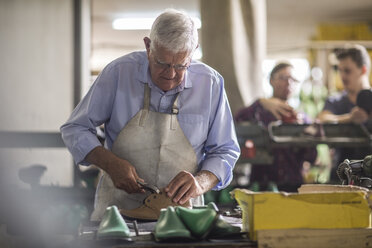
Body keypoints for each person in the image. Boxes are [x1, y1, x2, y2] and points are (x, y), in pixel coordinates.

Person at [60, 9, 240, 220]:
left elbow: (225, 150)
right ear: (148, 46)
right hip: (117, 211)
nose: (171, 74)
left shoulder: (210, 84)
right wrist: (110, 163)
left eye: (181, 65)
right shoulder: (118, 73)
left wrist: (200, 182)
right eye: (162, 63)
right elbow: (75, 128)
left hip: (182, 215)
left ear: (194, 52)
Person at [235, 62, 317, 192]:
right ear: (271, 80)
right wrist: (261, 102)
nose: (288, 83)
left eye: (293, 80)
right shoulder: (260, 111)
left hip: (293, 185)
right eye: (283, 78)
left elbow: (311, 157)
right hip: (262, 184)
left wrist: (307, 136)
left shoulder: (301, 118)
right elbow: (237, 118)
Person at [317, 44, 372, 182]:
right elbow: (322, 119)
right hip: (341, 176)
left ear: (363, 70)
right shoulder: (335, 101)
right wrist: (349, 118)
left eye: (347, 71)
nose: (342, 76)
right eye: (339, 70)